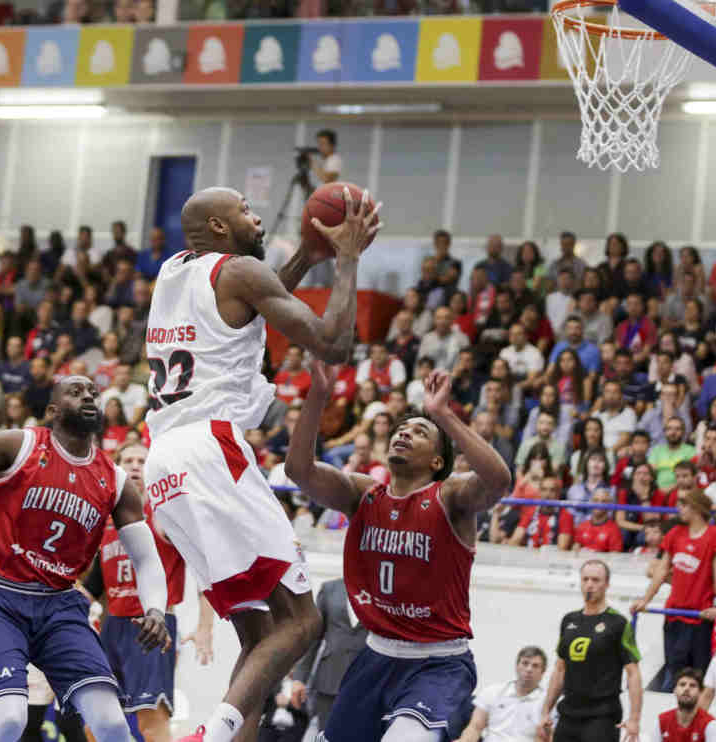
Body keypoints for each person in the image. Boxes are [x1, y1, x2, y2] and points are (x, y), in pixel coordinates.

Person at [141, 185, 379, 742]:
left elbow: (246, 313)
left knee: (259, 636)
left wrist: (304, 258)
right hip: (210, 452)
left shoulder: (175, 273)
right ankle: (211, 733)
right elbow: (332, 343)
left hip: (166, 465)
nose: (257, 217)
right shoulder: (240, 273)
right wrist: (345, 259)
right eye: (245, 209)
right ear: (220, 228)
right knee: (301, 622)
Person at [0, 375, 170, 742]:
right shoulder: (17, 445)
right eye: (76, 392)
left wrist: (155, 610)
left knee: (113, 725)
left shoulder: (115, 481)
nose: (88, 397)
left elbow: (146, 560)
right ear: (52, 411)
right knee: (7, 721)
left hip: (60, 606)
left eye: (93, 393)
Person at [286, 364, 510, 742]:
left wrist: (443, 415)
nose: (404, 432)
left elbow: (499, 481)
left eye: (419, 431)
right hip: (376, 655)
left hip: (437, 660)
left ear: (437, 462)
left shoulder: (450, 498)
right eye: (401, 429)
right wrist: (318, 396)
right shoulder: (363, 494)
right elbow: (299, 470)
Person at [87, 443, 214, 742]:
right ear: (116, 468)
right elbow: (94, 584)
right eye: (127, 460)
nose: (134, 466)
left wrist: (205, 626)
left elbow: (205, 569)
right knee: (96, 723)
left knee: (151, 723)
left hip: (152, 627)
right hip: (112, 624)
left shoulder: (164, 515)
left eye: (141, 461)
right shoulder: (106, 518)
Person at [631, 490, 716, 690]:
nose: (679, 510)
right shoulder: (675, 533)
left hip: (700, 615)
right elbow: (662, 570)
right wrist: (646, 599)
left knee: (699, 673)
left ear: (696, 507)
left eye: (684, 505)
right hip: (675, 614)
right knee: (675, 671)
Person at [539, 561, 642, 742]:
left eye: (596, 580)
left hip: (602, 715)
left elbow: (633, 673)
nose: (589, 584)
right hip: (568, 712)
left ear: (607, 584)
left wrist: (634, 719)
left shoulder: (618, 623)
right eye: (585, 579)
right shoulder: (568, 621)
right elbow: (560, 669)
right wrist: (546, 710)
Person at [290, 577, 369, 735]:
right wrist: (299, 678)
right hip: (329, 679)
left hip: (366, 678)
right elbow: (314, 639)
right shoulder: (329, 589)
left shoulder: (382, 593)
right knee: (327, 734)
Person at [457, 646, 547, 742]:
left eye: (535, 666)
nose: (529, 669)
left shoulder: (548, 702)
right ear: (517, 666)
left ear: (543, 671)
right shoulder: (492, 692)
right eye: (525, 663)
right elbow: (475, 728)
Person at [650, 668, 716, 742]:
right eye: (682, 684)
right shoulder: (661, 721)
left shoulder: (711, 725)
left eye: (692, 685)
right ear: (675, 690)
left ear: (700, 692)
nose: (686, 688)